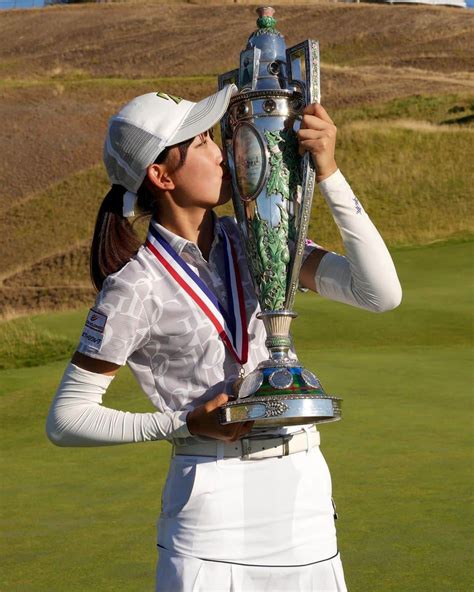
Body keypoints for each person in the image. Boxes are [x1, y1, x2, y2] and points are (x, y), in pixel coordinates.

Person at [46, 84, 401, 591]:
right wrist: (182, 423)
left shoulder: (261, 236)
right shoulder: (133, 287)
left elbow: (380, 293)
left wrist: (329, 173)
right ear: (161, 175)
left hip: (302, 506)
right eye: (204, 142)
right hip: (210, 522)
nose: (224, 151)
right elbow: (66, 419)